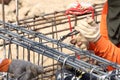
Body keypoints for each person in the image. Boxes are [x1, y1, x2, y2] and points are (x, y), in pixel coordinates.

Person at [56, 0, 120, 80]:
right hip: (111, 70)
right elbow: (106, 44)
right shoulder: (111, 5)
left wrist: (98, 40)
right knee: (63, 75)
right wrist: (91, 42)